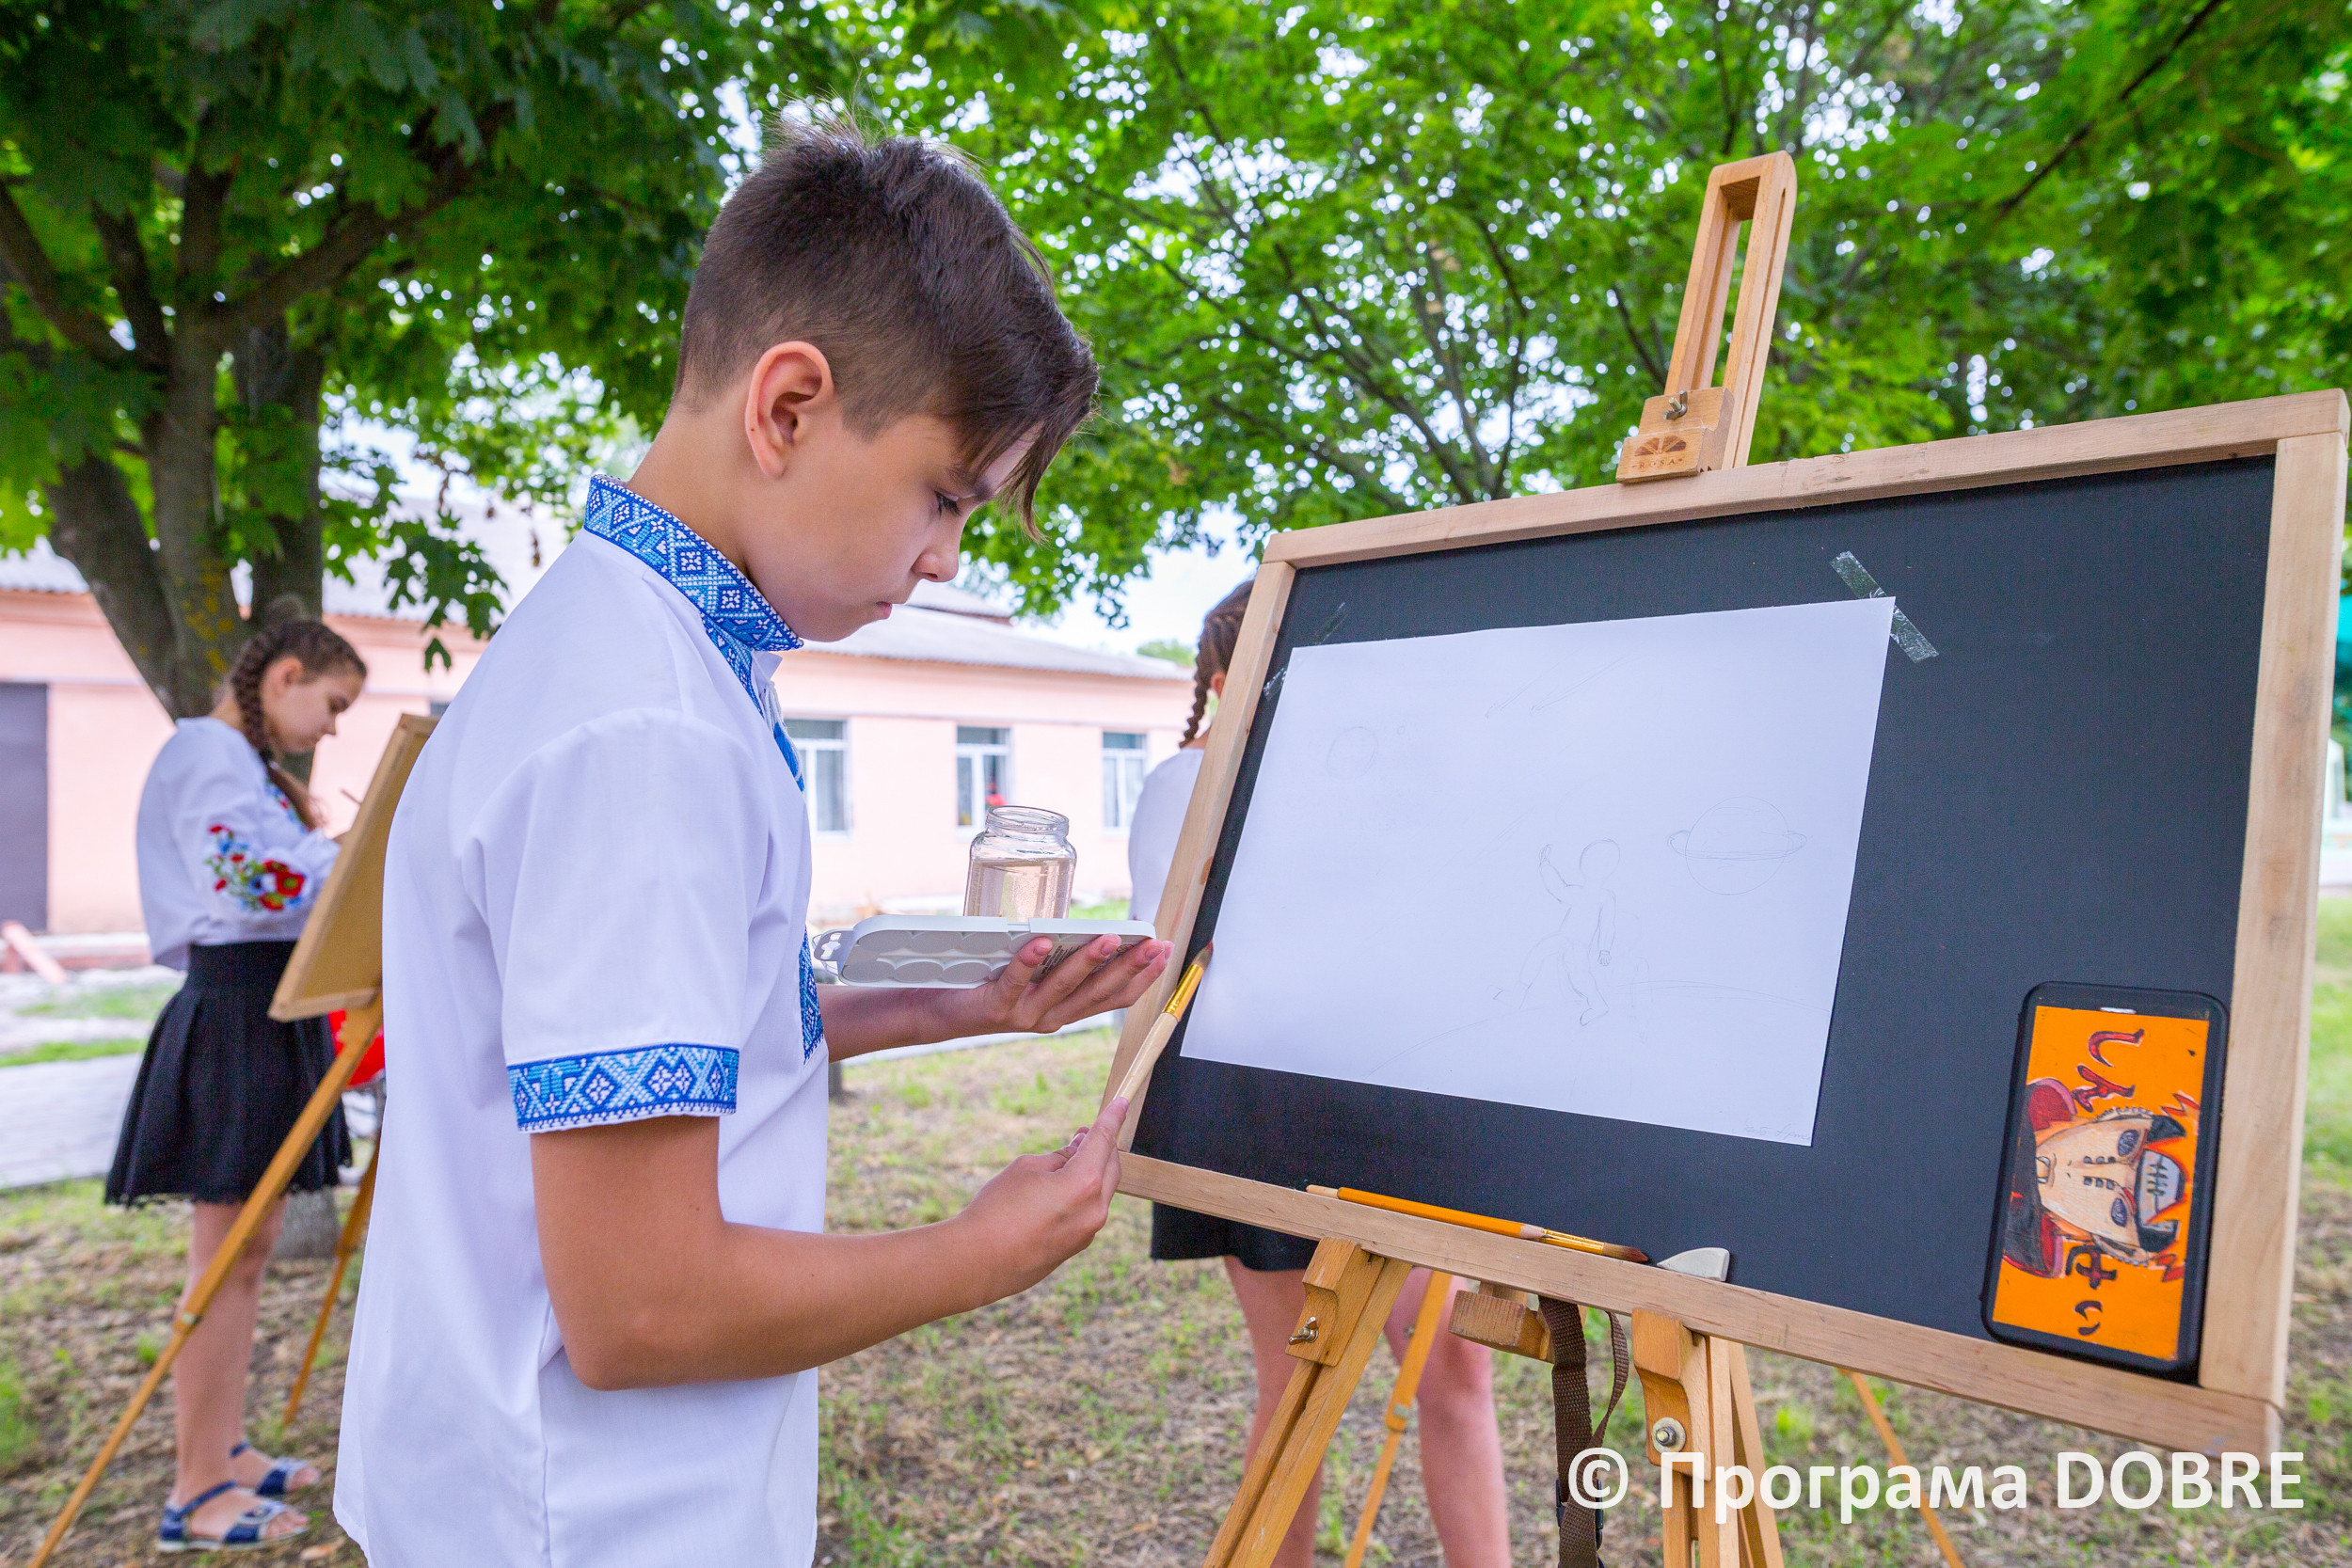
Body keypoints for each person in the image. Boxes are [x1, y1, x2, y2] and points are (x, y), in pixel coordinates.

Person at [334, 114, 1172, 1566]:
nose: (945, 558)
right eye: (944, 496)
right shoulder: (643, 728)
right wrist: (976, 1252)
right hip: (594, 1519)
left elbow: (654, 1035)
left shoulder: (632, 650)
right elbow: (643, 1303)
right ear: (787, 408)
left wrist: (941, 1002)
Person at [1130, 579, 1512, 1568]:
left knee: (1453, 1373)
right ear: (1228, 679)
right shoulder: (1186, 779)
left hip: (1393, 1095)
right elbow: (1168, 956)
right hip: (1253, 1107)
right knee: (1298, 1386)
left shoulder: (1379, 769)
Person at [108, 617, 369, 1552]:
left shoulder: (244, 767)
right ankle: (197, 1488)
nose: (331, 727)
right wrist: (355, 853)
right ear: (286, 675)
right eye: (332, 704)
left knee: (247, 1252)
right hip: (231, 1014)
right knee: (222, 1261)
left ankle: (221, 1447)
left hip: (267, 1009)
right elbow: (247, 882)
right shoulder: (205, 753)